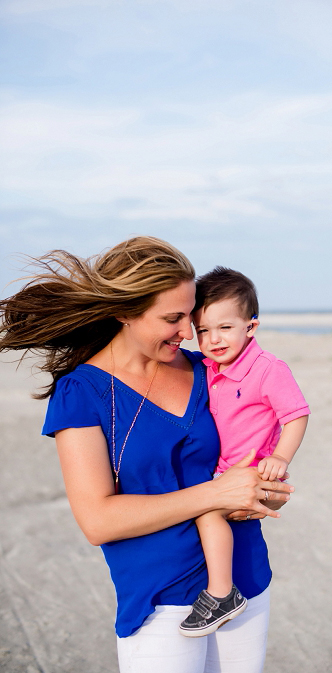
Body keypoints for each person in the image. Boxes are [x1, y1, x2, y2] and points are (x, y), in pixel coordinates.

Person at [0, 237, 293, 673]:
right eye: (173, 319)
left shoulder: (205, 370)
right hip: (161, 600)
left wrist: (264, 489)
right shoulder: (82, 393)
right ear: (125, 312)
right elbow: (97, 521)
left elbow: (251, 449)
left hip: (243, 577)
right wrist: (217, 494)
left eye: (190, 317)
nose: (189, 333)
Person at [180, 267, 310, 636]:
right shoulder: (207, 368)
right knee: (211, 513)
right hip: (224, 471)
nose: (212, 339)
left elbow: (296, 415)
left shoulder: (268, 369)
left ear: (250, 327)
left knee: (206, 512)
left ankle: (222, 593)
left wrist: (281, 458)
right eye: (202, 330)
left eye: (224, 327)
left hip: (255, 469)